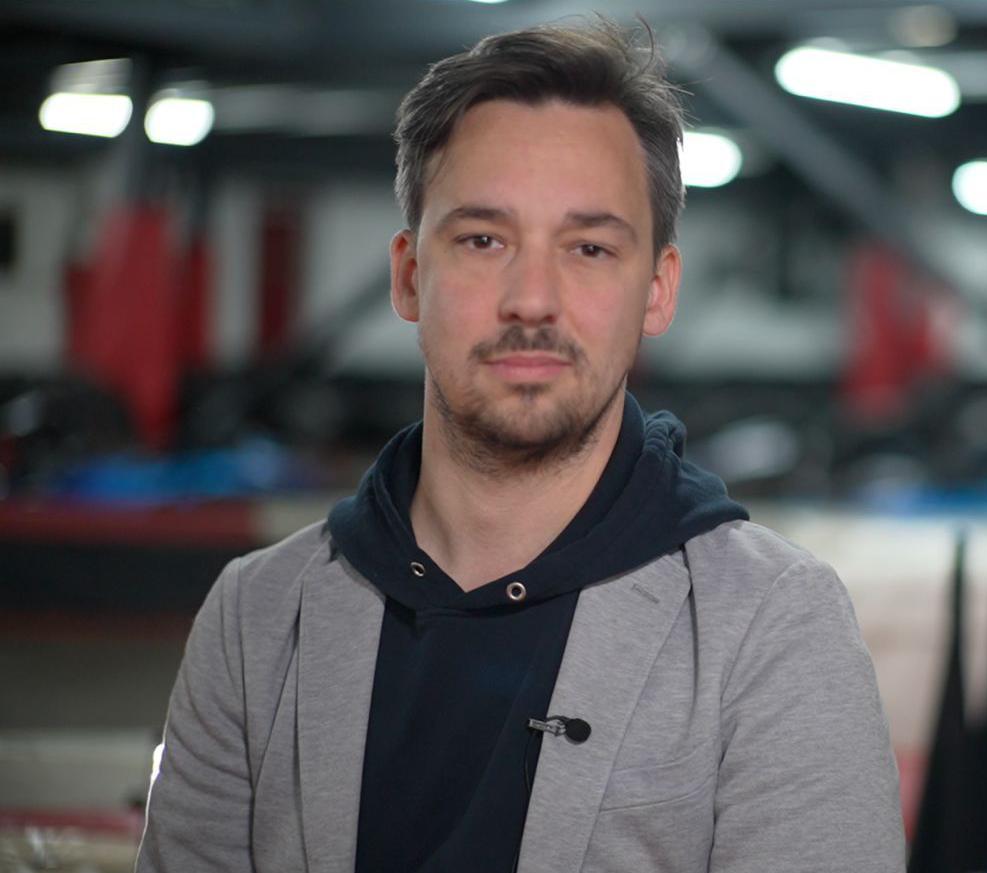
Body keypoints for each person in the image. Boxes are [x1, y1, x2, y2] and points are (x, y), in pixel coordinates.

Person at [135, 19, 905, 873]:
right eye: (483, 240)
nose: (532, 299)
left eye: (588, 247)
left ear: (657, 289)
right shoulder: (256, 617)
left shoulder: (771, 628)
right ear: (409, 275)